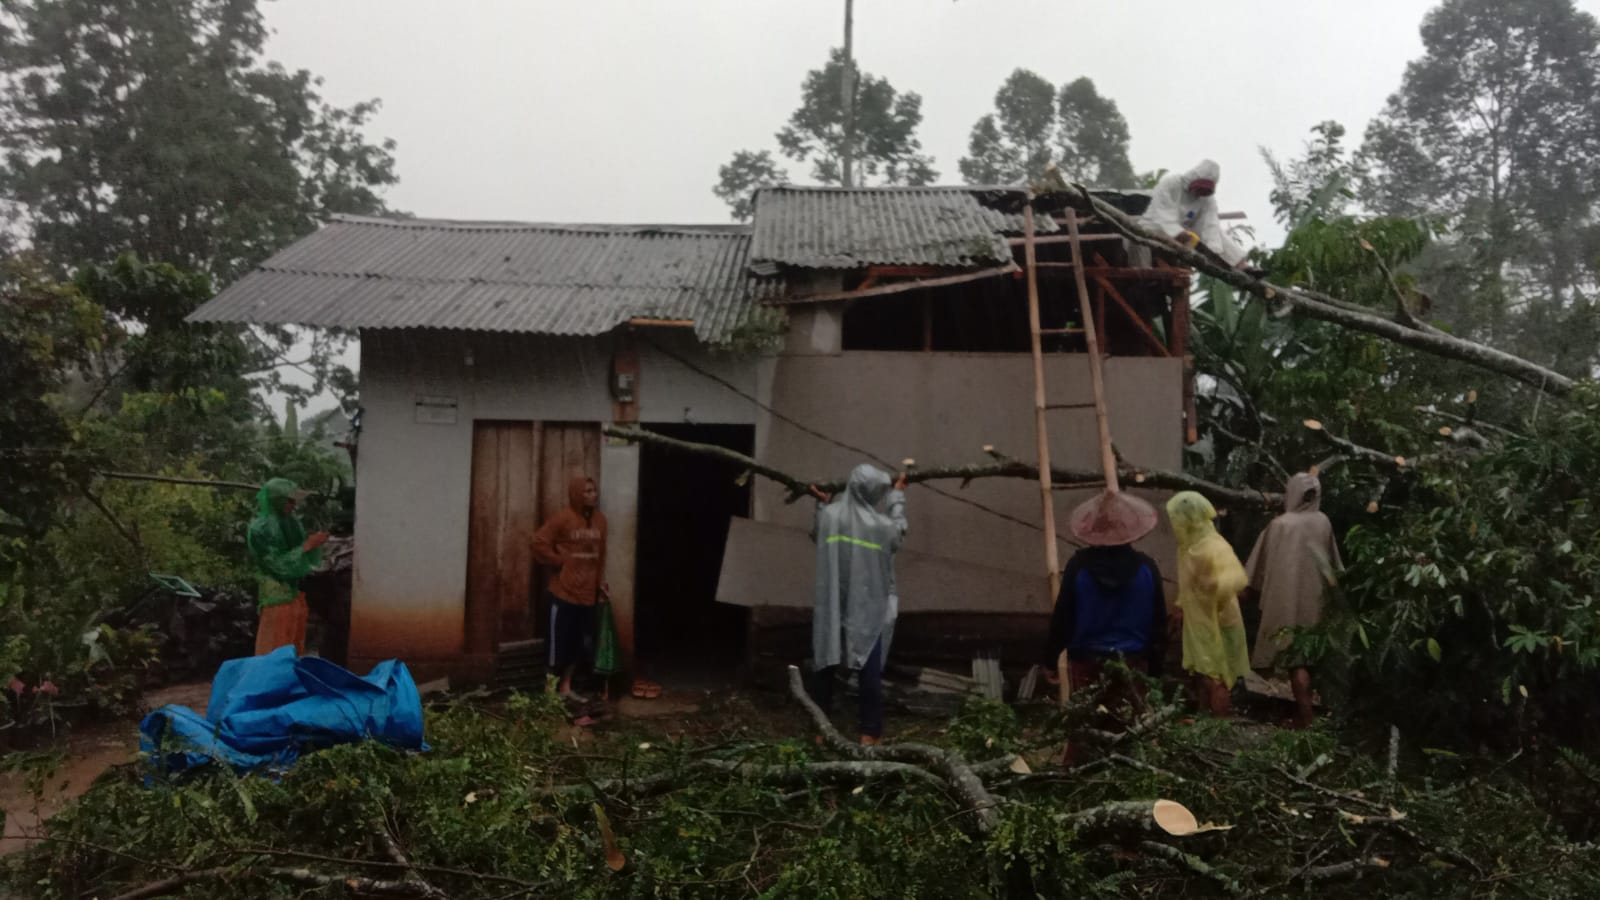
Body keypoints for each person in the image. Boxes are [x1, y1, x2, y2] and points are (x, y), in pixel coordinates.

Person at [809, 464, 908, 746]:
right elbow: (897, 534)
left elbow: (818, 535)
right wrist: (897, 498)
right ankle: (869, 733)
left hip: (833, 602)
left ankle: (821, 730)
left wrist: (821, 505)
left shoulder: (829, 516)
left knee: (826, 664)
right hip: (868, 607)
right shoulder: (881, 525)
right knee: (869, 668)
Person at [1245, 472, 1343, 728]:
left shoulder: (1280, 526)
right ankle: (1322, 716)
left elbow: (1257, 569)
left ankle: (1306, 717)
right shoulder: (1323, 521)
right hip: (1317, 600)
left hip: (1286, 600)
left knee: (1296, 660)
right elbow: (1334, 565)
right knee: (1313, 658)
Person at [1047, 494, 1167, 696]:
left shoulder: (1079, 567)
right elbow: (1158, 622)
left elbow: (1063, 617)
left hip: (1087, 664)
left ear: (1093, 529)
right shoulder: (1147, 568)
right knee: (1133, 725)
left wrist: (1050, 659)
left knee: (1089, 722)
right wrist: (1155, 668)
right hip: (1134, 664)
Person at [1166, 491, 1251, 717]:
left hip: (1219, 621)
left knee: (1217, 675)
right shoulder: (1189, 547)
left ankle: (1219, 727)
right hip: (1200, 621)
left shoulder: (1213, 547)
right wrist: (1181, 606)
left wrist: (1208, 590)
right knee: (1204, 672)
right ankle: (1204, 719)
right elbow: (1188, 586)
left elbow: (1235, 585)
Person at [532, 476, 609, 701]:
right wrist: (558, 561)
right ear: (576, 493)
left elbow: (600, 556)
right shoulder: (563, 518)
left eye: (594, 490)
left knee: (578, 644)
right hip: (563, 592)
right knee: (558, 645)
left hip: (587, 595)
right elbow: (538, 541)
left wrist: (599, 585)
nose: (592, 495)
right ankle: (549, 694)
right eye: (586, 491)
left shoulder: (601, 521)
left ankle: (566, 688)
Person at [247, 478, 328, 656]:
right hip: (275, 597)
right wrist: (307, 546)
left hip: (294, 595)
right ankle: (269, 682)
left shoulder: (290, 523)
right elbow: (278, 564)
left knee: (293, 647)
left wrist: (312, 545)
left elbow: (304, 557)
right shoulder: (261, 528)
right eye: (288, 500)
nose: (293, 505)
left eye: (294, 501)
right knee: (274, 648)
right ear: (277, 500)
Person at [1140, 160, 1250, 269]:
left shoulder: (1207, 199)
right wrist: (1177, 232)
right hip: (1155, 225)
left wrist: (1213, 250)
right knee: (1163, 228)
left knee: (1218, 232)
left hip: (1184, 231)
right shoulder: (1171, 183)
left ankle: (1240, 264)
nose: (1200, 194)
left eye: (1204, 191)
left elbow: (1210, 224)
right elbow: (1162, 212)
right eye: (1199, 189)